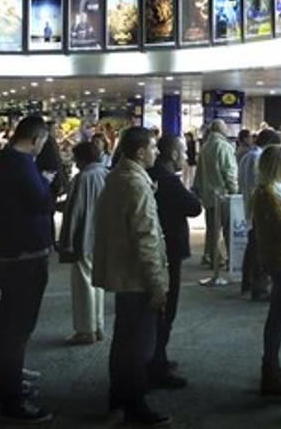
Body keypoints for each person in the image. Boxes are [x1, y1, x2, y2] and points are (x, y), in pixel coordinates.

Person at [93, 127, 171, 426]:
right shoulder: (136, 184)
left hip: (121, 271)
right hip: (136, 275)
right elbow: (146, 237)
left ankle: (119, 394)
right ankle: (135, 404)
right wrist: (157, 283)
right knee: (140, 344)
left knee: (123, 338)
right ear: (140, 152)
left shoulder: (116, 177)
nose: (157, 152)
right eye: (153, 147)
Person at [0, 115, 55, 423]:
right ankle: (10, 397)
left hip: (9, 248)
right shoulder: (22, 164)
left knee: (9, 322)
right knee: (17, 324)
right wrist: (48, 184)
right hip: (25, 253)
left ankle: (6, 380)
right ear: (37, 139)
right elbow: (41, 201)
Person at [147, 132, 202, 389]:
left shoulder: (153, 175)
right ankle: (156, 365)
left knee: (161, 310)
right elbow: (194, 207)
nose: (187, 156)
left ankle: (159, 358)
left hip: (161, 247)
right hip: (168, 250)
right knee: (165, 309)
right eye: (183, 151)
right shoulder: (168, 180)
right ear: (173, 154)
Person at [249, 144, 281, 396]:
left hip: (278, 257)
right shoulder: (269, 194)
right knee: (280, 315)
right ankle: (270, 369)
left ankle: (273, 367)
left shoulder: (266, 191)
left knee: (280, 314)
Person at [60, 141, 108, 346]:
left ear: (81, 159)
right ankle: (98, 326)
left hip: (84, 236)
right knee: (98, 284)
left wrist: (67, 242)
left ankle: (85, 330)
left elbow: (74, 211)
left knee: (83, 285)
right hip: (103, 236)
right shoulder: (107, 174)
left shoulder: (82, 178)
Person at [238, 129, 281, 301]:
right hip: (261, 209)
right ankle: (259, 287)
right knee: (260, 249)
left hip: (250, 205)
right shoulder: (261, 158)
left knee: (253, 246)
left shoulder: (246, 157)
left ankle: (248, 282)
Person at [195, 119, 238, 286]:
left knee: (212, 229)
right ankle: (230, 260)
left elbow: (198, 174)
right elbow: (230, 172)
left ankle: (214, 258)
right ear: (221, 130)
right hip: (223, 195)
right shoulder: (224, 147)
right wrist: (235, 192)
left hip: (209, 195)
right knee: (228, 230)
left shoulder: (205, 147)